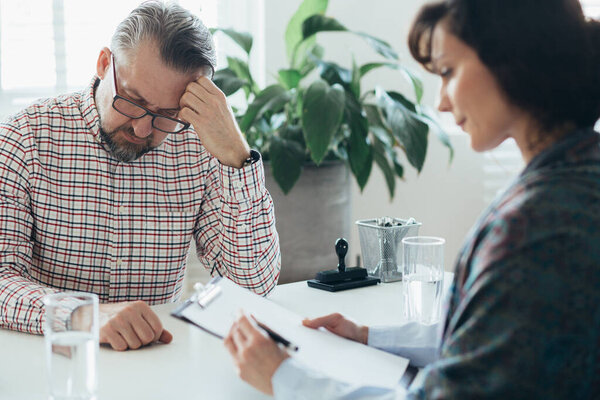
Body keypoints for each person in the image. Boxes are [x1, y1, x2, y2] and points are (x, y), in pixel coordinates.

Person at [225, 0, 600, 398]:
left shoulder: (538, 229)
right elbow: (502, 337)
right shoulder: (576, 177)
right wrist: (368, 335)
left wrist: (285, 378)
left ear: (513, 60)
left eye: (448, 71)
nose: (440, 101)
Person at [0, 1, 281, 351]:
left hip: (156, 367)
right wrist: (84, 315)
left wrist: (237, 158)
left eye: (167, 114)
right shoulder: (24, 138)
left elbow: (253, 289)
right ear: (105, 64)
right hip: (52, 361)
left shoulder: (196, 150)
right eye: (132, 100)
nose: (141, 126)